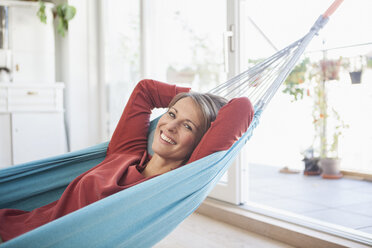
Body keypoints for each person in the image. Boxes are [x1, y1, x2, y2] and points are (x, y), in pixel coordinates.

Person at [0, 79, 254, 242]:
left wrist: (205, 106)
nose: (169, 126)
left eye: (187, 126)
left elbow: (242, 107)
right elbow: (145, 90)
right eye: (171, 114)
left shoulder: (177, 185)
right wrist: (193, 97)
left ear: (201, 142)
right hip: (18, 226)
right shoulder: (127, 152)